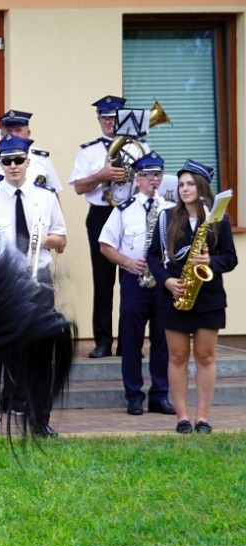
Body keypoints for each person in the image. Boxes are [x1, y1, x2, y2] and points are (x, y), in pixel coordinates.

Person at [0, 135, 67, 437]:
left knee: (40, 354)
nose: (13, 166)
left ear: (28, 161)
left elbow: (61, 239)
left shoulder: (45, 196)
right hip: (2, 282)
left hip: (38, 280)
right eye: (7, 161)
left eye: (18, 160)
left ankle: (40, 420)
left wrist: (43, 239)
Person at [146, 160, 237, 435]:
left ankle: (203, 418)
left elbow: (230, 258)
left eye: (190, 184)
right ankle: (182, 418)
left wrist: (210, 262)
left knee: (205, 356)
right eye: (181, 184)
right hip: (175, 293)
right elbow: (152, 256)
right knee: (177, 357)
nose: (184, 189)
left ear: (202, 187)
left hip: (208, 297)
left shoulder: (218, 218)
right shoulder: (166, 217)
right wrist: (167, 281)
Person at [98, 153, 175, 417]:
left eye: (158, 175)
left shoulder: (171, 209)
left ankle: (160, 395)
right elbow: (105, 245)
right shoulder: (123, 209)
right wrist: (127, 262)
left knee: (162, 339)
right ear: (138, 179)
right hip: (134, 279)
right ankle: (133, 396)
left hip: (164, 280)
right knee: (131, 340)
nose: (154, 180)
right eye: (148, 175)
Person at [70, 94, 134, 358]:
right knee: (103, 280)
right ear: (98, 120)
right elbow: (78, 187)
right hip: (100, 214)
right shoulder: (89, 150)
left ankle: (128, 342)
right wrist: (102, 175)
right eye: (104, 117)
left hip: (130, 214)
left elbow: (150, 182)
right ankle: (103, 342)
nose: (109, 122)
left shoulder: (137, 147)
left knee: (131, 281)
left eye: (114, 118)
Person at [0, 110, 63, 194]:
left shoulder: (41, 158)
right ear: (2, 134)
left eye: (18, 130)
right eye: (9, 131)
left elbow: (53, 192)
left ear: (28, 133)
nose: (13, 135)